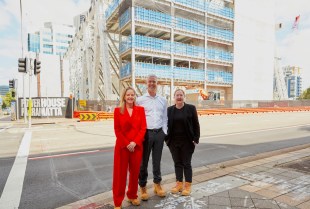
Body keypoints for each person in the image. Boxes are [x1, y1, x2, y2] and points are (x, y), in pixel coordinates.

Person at [113, 87, 146, 209]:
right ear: (124, 97)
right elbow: (117, 130)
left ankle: (132, 195)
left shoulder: (140, 110)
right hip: (122, 147)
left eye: (132, 95)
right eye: (128, 95)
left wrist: (134, 143)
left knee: (134, 174)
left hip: (136, 147)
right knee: (120, 175)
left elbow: (143, 128)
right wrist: (127, 143)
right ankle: (117, 201)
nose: (130, 97)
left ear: (135, 96)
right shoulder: (118, 111)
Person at [137, 74, 168, 200]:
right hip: (146, 134)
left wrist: (164, 132)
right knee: (143, 162)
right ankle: (143, 186)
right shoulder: (140, 100)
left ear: (157, 83)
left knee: (157, 161)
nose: (152, 84)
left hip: (159, 133)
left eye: (154, 82)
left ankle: (157, 184)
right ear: (146, 83)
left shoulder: (163, 100)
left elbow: (165, 118)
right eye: (149, 81)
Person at [165, 89, 200, 196]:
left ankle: (188, 185)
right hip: (173, 142)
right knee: (177, 163)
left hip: (187, 141)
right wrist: (167, 140)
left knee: (186, 163)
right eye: (177, 95)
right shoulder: (169, 110)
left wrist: (196, 139)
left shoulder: (191, 108)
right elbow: (165, 125)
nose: (179, 97)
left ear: (184, 97)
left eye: (181, 95)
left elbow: (196, 124)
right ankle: (179, 184)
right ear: (174, 97)